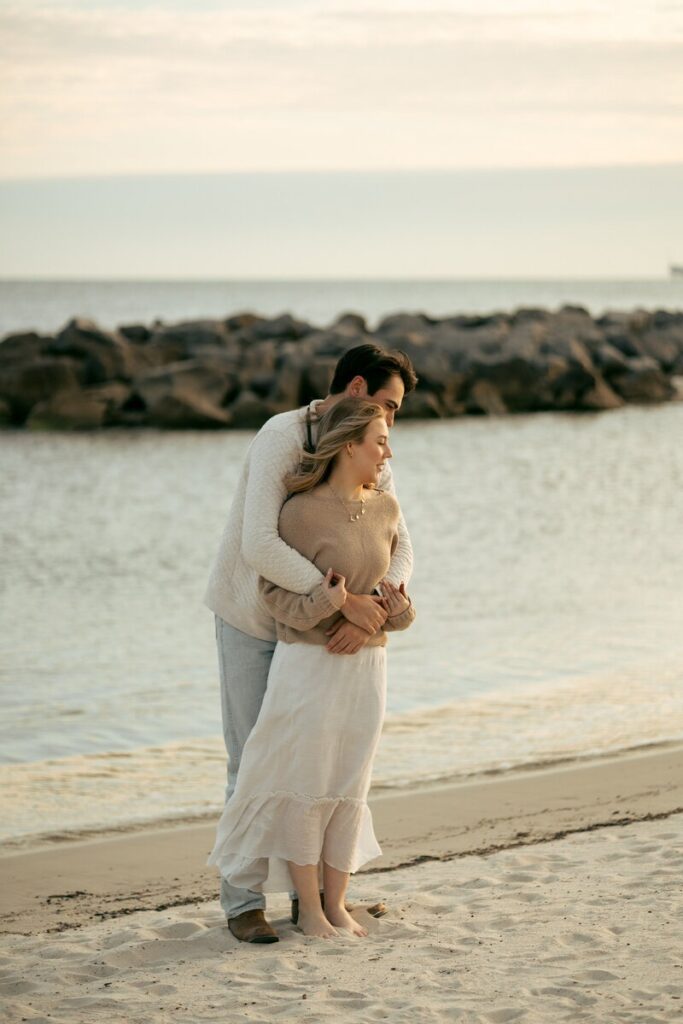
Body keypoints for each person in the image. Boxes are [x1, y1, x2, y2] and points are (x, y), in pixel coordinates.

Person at [204, 343, 418, 943]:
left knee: (322, 762)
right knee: (254, 756)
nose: (391, 423)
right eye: (388, 405)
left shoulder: (370, 444)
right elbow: (260, 544)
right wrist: (342, 600)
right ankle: (244, 902)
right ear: (357, 388)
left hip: (323, 632)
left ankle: (317, 899)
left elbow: (399, 543)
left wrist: (371, 612)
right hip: (252, 616)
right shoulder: (282, 435)